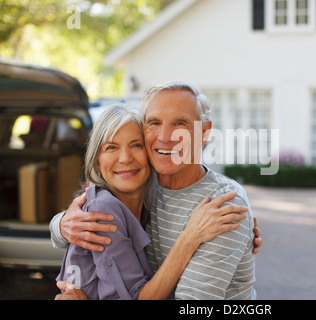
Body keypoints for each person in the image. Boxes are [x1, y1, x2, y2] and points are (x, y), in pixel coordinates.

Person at [50, 81, 261, 299]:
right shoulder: (141, 188)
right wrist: (63, 224)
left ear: (204, 131)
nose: (164, 136)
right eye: (154, 123)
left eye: (179, 123)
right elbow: (71, 233)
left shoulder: (221, 206)